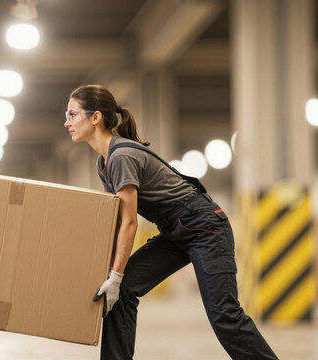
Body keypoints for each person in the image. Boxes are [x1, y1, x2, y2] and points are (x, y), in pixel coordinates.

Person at [64, 84, 278, 360]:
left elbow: (129, 223)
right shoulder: (104, 162)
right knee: (122, 291)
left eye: (72, 114)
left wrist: (115, 275)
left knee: (224, 315)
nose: (66, 122)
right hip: (175, 230)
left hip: (205, 227)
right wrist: (107, 275)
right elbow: (115, 221)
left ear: (95, 117)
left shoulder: (121, 156)